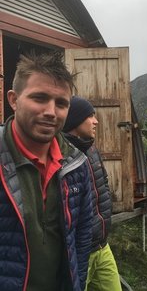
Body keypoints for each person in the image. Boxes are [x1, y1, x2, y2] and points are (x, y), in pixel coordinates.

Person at [0, 52, 94, 290]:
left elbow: (82, 237)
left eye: (61, 103)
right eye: (39, 98)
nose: (51, 111)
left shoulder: (78, 164)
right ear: (13, 99)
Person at [62, 96, 122, 291]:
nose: (96, 121)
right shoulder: (63, 157)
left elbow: (103, 183)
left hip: (103, 247)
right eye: (90, 116)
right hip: (80, 253)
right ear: (75, 120)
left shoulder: (92, 150)